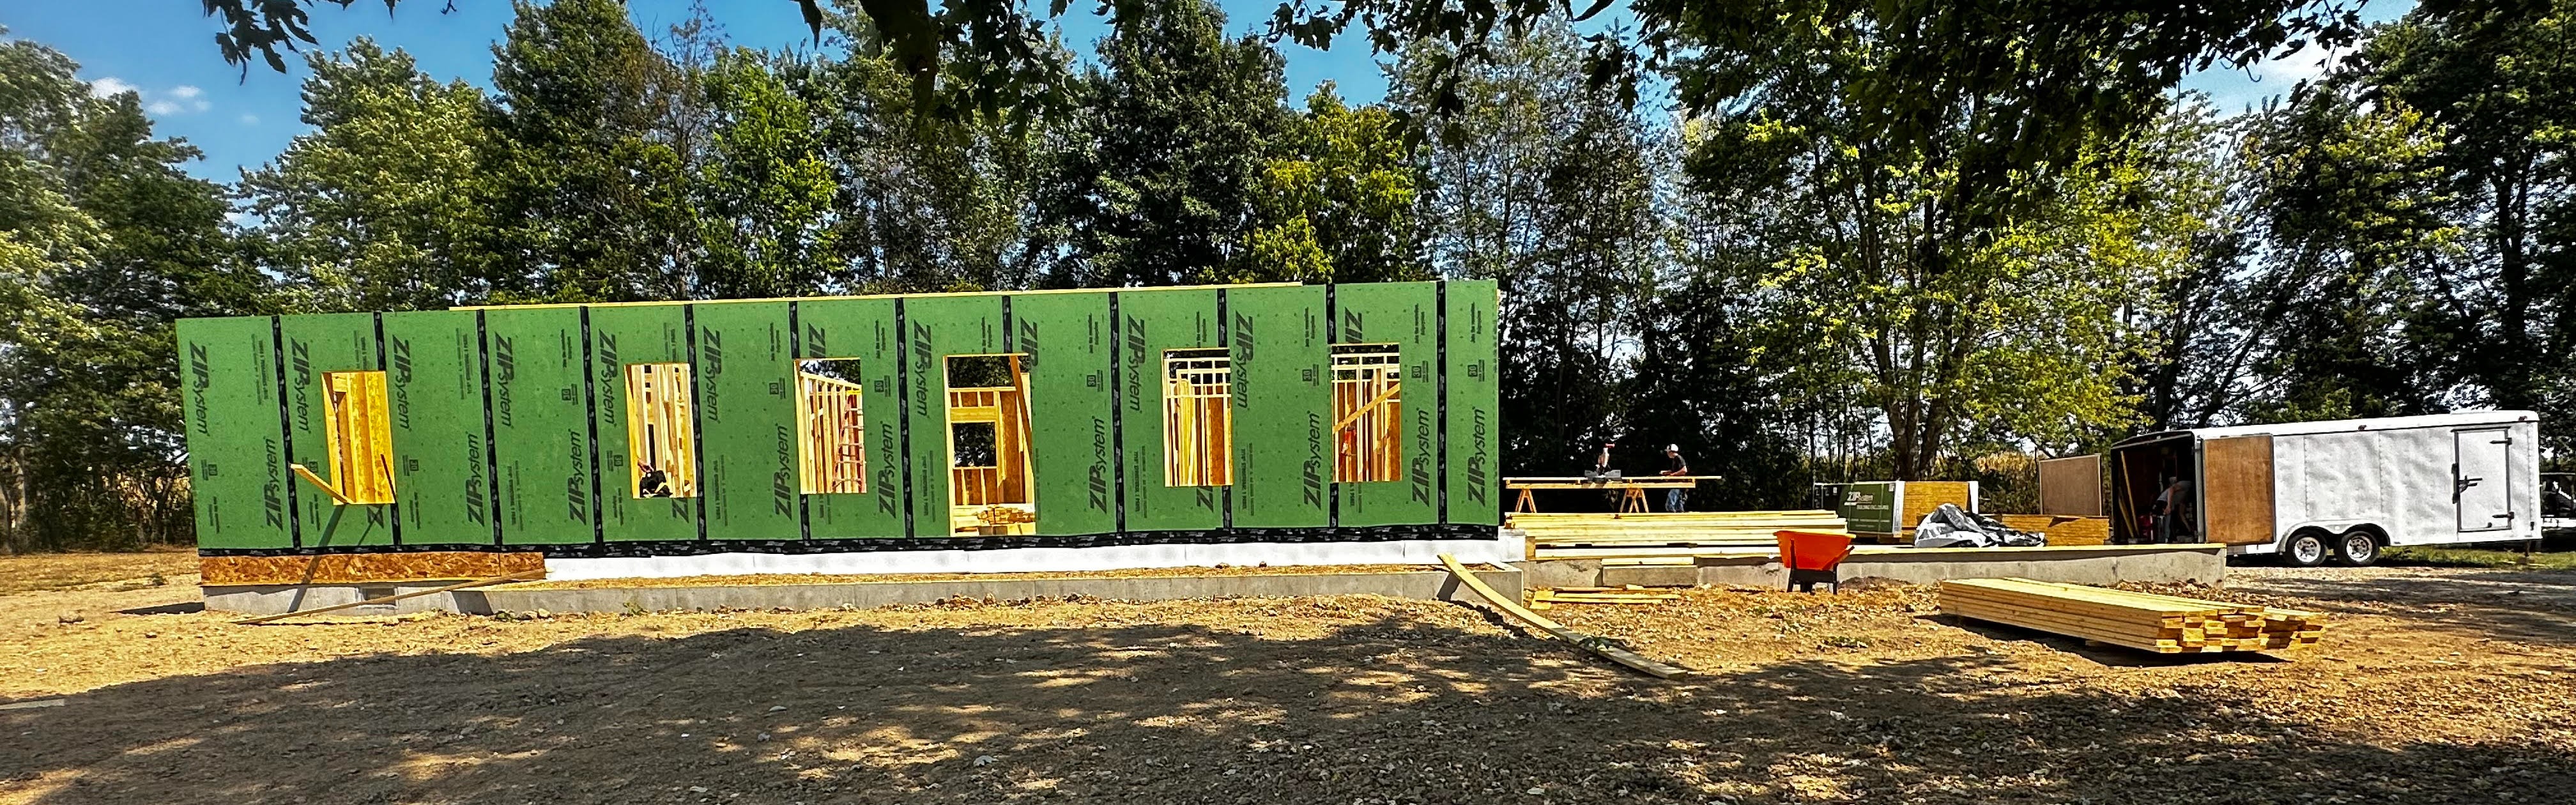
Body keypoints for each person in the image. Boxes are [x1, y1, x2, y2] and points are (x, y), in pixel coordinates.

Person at [1658, 444, 1690, 512]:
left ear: (1672, 452)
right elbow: (1675, 471)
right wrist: (1666, 472)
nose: (1667, 453)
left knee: (1670, 505)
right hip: (1678, 484)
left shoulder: (1679, 458)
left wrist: (1673, 475)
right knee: (1678, 506)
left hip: (1679, 483)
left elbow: (1684, 470)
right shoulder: (1675, 459)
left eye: (1668, 452)